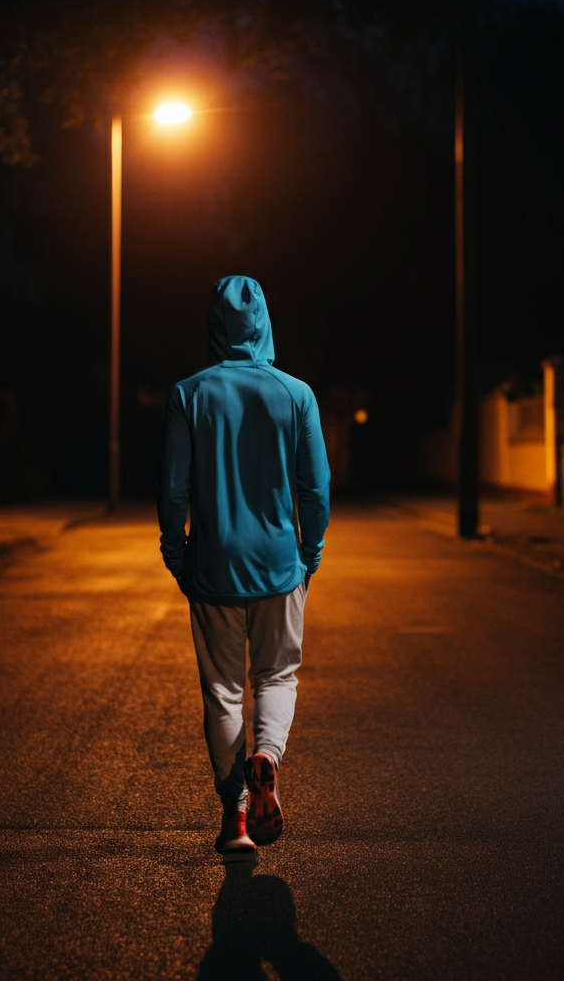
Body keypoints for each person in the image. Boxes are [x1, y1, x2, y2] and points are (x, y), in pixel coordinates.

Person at [157, 275, 331, 853]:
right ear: (264, 324)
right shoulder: (296, 394)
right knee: (276, 676)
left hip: (213, 565)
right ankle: (267, 757)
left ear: (214, 325)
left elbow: (173, 489)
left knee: (223, 692)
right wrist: (309, 553)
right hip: (279, 563)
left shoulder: (189, 394)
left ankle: (235, 819)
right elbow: (316, 489)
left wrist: (176, 553)